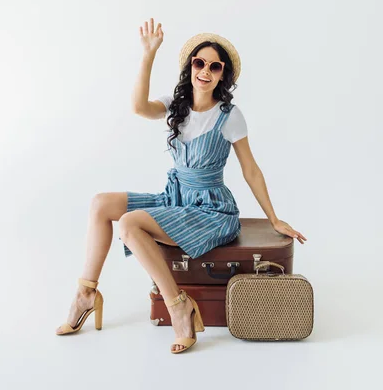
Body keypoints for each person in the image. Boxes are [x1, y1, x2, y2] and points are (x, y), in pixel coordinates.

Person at [56, 18, 307, 353]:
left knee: (131, 224)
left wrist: (274, 219)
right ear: (191, 66)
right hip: (176, 199)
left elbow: (251, 170)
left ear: (222, 76)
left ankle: (179, 306)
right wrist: (148, 55)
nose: (204, 71)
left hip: (211, 211)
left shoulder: (229, 116)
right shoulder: (177, 105)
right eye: (198, 62)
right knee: (100, 203)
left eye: (214, 67)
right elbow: (138, 107)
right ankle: (86, 293)